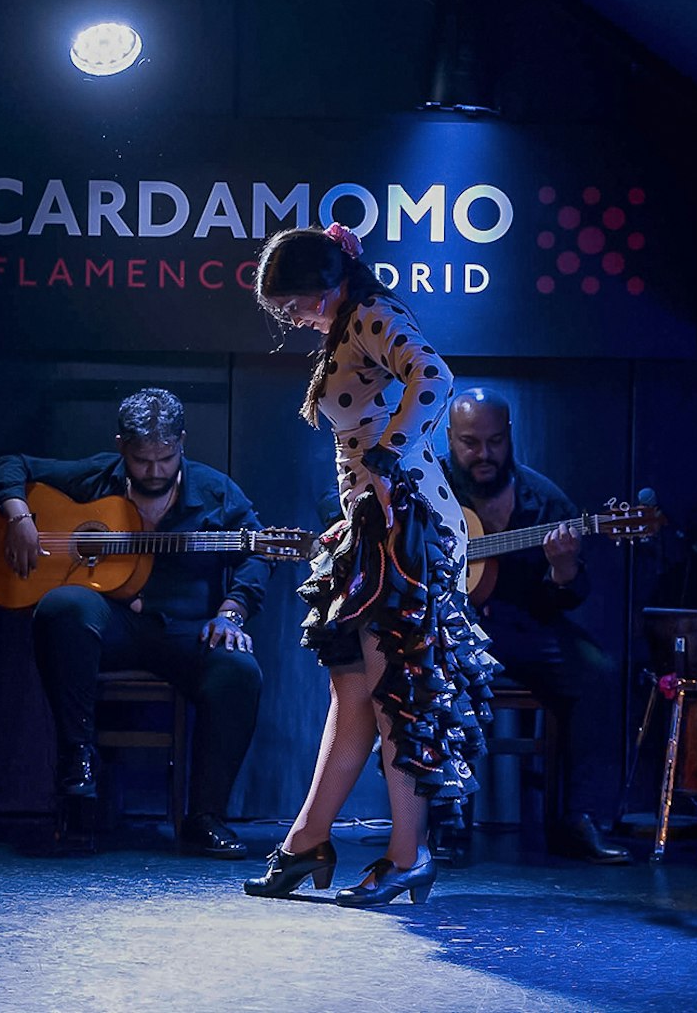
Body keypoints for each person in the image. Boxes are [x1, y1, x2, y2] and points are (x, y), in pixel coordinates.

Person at [242, 223, 495, 907]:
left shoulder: (375, 315)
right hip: (377, 525)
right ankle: (306, 842)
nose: (290, 317)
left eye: (292, 302)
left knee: (393, 698)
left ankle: (408, 856)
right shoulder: (349, 322)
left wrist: (386, 457)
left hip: (406, 527)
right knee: (353, 696)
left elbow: (435, 376)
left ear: (327, 284)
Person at [0, 387, 271, 859]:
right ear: (122, 446)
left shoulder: (216, 492)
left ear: (182, 442)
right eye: (142, 460)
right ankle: (77, 769)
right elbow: (10, 465)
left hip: (184, 631)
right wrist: (17, 514)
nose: (155, 471)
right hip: (115, 624)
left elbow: (260, 551)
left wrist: (233, 610)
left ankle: (204, 817)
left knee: (240, 672)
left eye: (166, 458)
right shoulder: (98, 475)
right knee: (63, 607)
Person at [443, 387, 629, 865]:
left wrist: (564, 571)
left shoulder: (545, 502)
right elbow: (336, 506)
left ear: (509, 437)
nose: (483, 454)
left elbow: (572, 596)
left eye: (495, 441)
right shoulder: (429, 489)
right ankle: (446, 817)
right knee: (430, 674)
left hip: (526, 629)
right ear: (449, 438)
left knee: (597, 673)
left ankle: (580, 819)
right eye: (470, 442)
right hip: (449, 630)